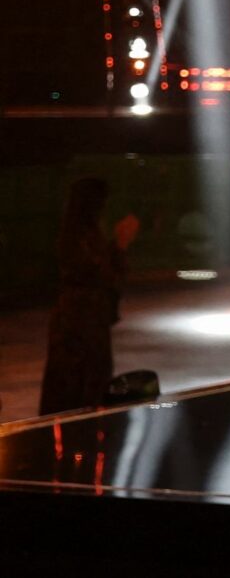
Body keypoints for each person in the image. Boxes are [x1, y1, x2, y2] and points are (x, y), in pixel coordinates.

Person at [40, 177, 137, 414]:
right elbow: (101, 275)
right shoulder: (79, 238)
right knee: (78, 390)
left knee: (82, 388)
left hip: (85, 323)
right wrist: (120, 245)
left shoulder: (83, 234)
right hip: (80, 326)